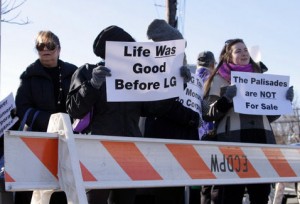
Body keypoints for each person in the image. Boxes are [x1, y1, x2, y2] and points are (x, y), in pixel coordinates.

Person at [66, 25, 195, 204]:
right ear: (109, 50)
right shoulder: (87, 71)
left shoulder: (136, 76)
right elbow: (74, 109)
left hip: (130, 151)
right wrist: (93, 84)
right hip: (96, 149)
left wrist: (177, 86)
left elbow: (153, 108)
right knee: (94, 200)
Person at [203, 38, 294, 204]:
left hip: (262, 141)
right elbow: (207, 113)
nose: (244, 53)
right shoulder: (219, 80)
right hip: (233, 142)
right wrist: (226, 99)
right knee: (231, 194)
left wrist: (282, 103)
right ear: (228, 57)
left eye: (245, 50)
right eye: (238, 51)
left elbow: (269, 116)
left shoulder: (260, 79)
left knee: (260, 194)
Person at [142, 19, 208, 204]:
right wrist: (192, 118)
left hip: (181, 140)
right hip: (162, 138)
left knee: (175, 192)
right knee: (164, 193)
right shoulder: (150, 67)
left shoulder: (183, 66)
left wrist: (200, 107)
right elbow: (161, 105)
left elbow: (187, 99)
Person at [14, 30, 78, 204]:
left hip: (68, 137)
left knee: (64, 185)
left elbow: (81, 102)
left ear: (58, 49)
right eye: (40, 46)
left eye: (49, 45)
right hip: (38, 138)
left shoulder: (73, 72)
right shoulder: (29, 75)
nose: (45, 49)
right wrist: (50, 121)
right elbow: (22, 108)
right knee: (32, 187)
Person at [194, 51, 216, 204]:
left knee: (197, 179)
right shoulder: (213, 80)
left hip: (193, 131)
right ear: (212, 64)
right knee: (210, 181)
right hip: (210, 132)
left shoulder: (190, 77)